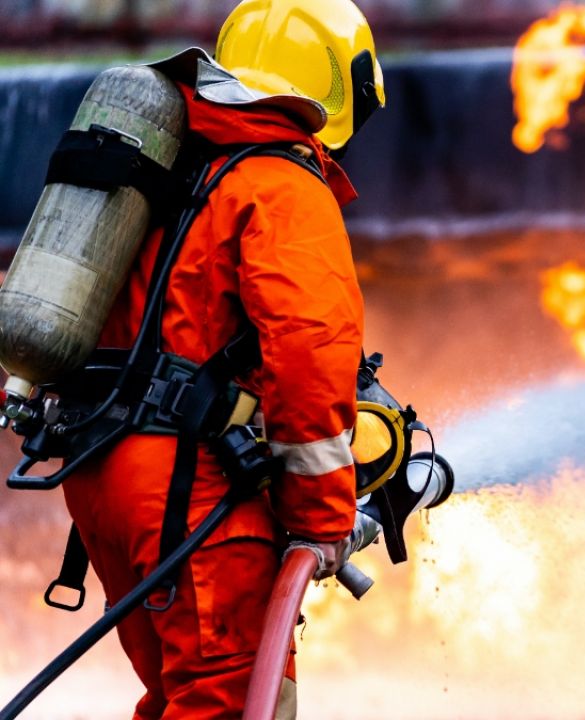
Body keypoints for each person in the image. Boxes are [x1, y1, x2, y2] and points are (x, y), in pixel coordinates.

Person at [59, 0, 385, 716]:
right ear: (340, 85)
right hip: (190, 487)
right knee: (232, 701)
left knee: (182, 695)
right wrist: (321, 521)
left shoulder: (168, 172)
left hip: (102, 473)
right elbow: (308, 348)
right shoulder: (280, 185)